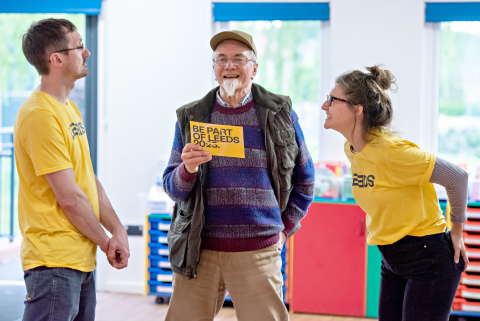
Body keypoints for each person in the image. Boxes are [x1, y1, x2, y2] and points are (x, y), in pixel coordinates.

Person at [163, 30, 315, 321]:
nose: (229, 66)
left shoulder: (280, 112)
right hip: (199, 250)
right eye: (221, 59)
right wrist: (188, 169)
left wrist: (284, 230)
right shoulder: (191, 116)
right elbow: (172, 187)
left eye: (238, 59)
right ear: (213, 67)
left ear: (254, 68)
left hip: (259, 251)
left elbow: (305, 179)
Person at [321, 65, 468, 321]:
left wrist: (456, 233)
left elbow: (457, 178)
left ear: (357, 109)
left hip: (427, 257)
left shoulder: (391, 151)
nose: (325, 106)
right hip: (391, 257)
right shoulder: (352, 148)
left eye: (332, 100)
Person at [15, 18, 130, 320]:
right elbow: (69, 197)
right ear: (57, 59)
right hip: (53, 263)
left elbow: (86, 181)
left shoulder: (69, 108)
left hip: (80, 260)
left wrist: (117, 229)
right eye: (79, 46)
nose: (87, 51)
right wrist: (106, 242)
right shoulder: (40, 115)